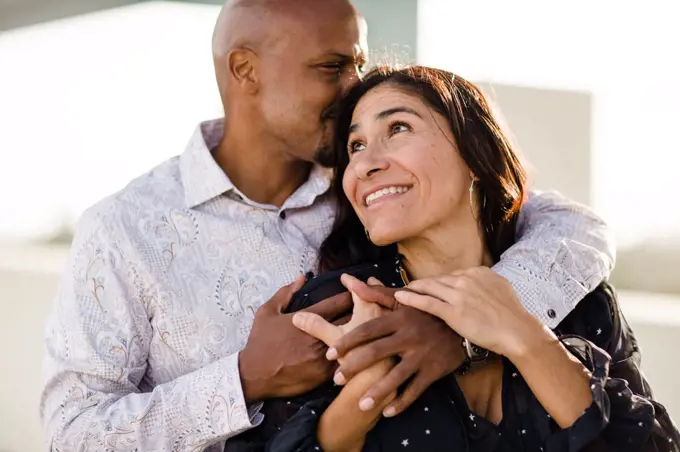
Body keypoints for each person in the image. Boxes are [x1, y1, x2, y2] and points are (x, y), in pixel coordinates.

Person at [39, 1, 615, 451]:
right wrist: (241, 380)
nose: (353, 88)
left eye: (359, 63)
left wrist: (459, 329)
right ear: (246, 70)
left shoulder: (379, 185)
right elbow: (73, 434)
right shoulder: (123, 231)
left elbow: (575, 230)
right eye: (331, 67)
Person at [263, 65, 680, 452]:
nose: (366, 164)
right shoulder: (334, 310)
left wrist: (528, 339)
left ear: (475, 153)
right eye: (356, 146)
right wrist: (367, 393)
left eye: (398, 127)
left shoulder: (581, 303)